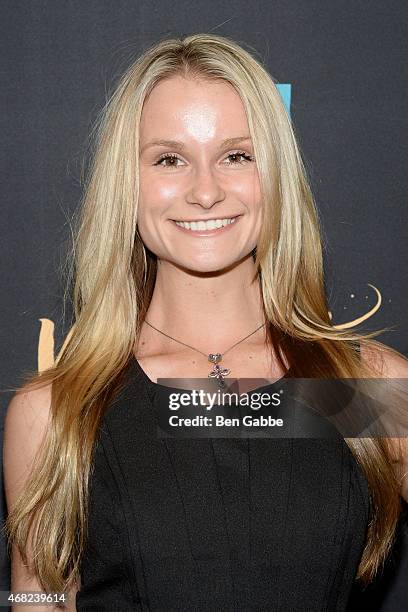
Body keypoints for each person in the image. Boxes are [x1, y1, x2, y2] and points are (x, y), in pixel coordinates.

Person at [3, 33, 408, 611]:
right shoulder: (58, 411)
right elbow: (37, 601)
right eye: (169, 158)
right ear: (128, 182)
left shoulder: (361, 389)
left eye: (237, 155)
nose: (206, 191)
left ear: (276, 176)